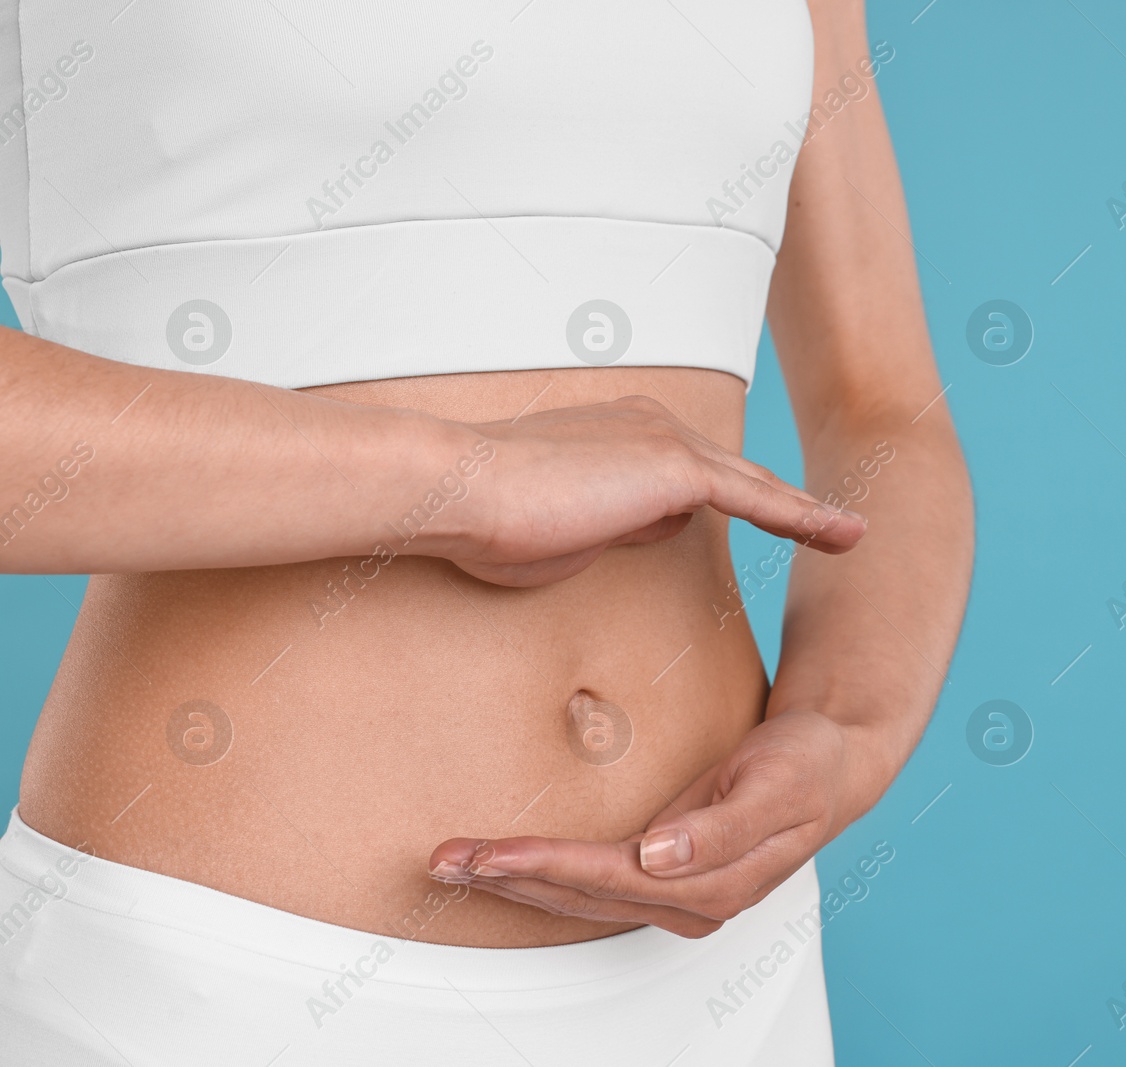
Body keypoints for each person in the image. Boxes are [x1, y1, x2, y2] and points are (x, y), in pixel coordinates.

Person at [0, 0, 971, 1062]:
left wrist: (845, 730)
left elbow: (882, 406)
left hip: (721, 980)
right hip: (225, 975)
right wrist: (468, 481)